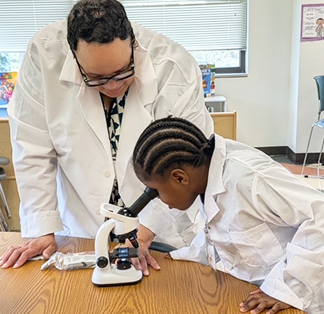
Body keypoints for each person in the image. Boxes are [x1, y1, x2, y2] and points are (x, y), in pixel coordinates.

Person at [0, 0, 214, 272]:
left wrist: (146, 231)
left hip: (162, 228)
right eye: (96, 78)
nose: (112, 86)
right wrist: (41, 227)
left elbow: (190, 164)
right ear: (74, 57)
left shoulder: (173, 66)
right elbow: (32, 149)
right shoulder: (43, 57)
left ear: (133, 44)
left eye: (122, 73)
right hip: (83, 228)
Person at [132, 116, 324, 314]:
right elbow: (224, 232)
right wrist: (182, 256)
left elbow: (320, 216)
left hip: (300, 300)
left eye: (156, 191)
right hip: (253, 290)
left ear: (180, 177)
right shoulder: (206, 177)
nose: (159, 200)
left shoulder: (249, 178)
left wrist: (286, 290)